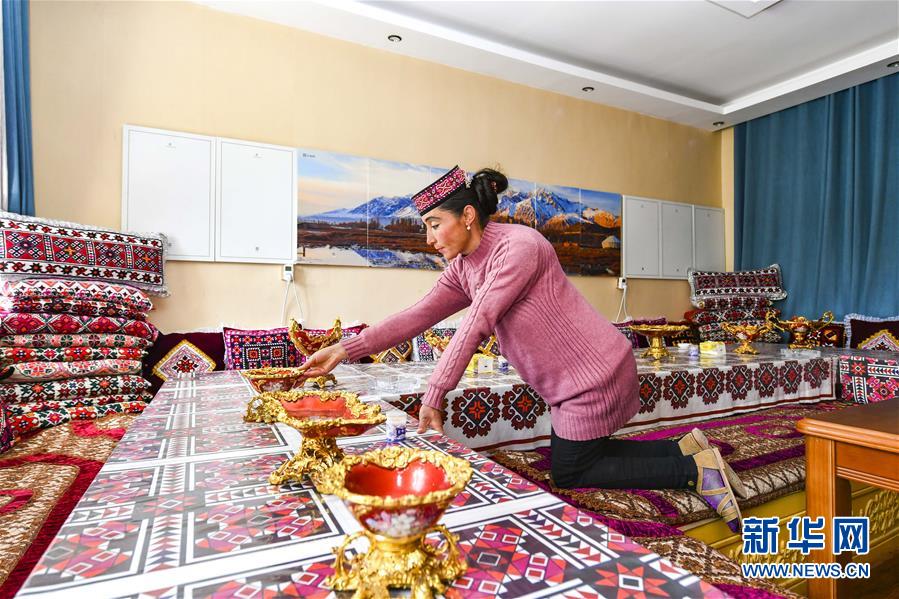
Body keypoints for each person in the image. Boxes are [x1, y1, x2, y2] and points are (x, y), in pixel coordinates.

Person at [299, 165, 746, 532]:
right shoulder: (464, 267)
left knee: (572, 470)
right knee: (583, 456)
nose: (429, 239)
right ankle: (685, 448)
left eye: (435, 225)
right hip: (571, 381)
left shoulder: (519, 247)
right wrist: (344, 349)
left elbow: (476, 323)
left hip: (594, 373)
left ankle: (695, 472)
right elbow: (417, 315)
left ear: (467, 215)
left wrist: (435, 396)